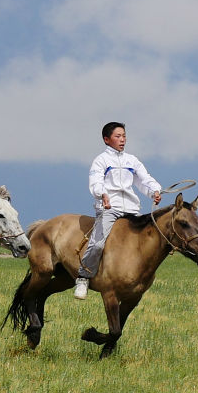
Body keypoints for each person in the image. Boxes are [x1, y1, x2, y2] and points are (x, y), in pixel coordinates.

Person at [74, 122, 162, 300]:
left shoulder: (132, 160)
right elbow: (96, 182)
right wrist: (102, 195)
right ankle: (83, 278)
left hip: (131, 209)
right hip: (109, 208)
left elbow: (144, 179)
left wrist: (154, 191)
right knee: (98, 243)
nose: (122, 140)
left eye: (124, 136)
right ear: (107, 140)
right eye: (118, 136)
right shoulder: (101, 160)